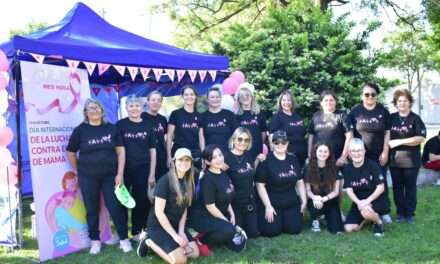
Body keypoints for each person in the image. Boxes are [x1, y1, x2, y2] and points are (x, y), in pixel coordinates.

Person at [66, 98, 132, 254]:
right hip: (88, 177)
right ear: (86, 112)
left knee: (115, 207)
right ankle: (95, 241)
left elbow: (121, 151)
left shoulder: (111, 128)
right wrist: (79, 170)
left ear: (102, 111)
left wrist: (120, 173)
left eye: (97, 108)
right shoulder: (80, 130)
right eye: (91, 108)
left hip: (111, 176)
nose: (94, 110)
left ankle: (124, 239)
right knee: (92, 209)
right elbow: (71, 153)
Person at [137, 148, 199, 264]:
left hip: (175, 225)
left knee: (194, 253)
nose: (184, 163)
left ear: (191, 163)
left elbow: (184, 208)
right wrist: (175, 236)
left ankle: (172, 244)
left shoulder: (189, 181)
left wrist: (181, 231)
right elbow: (159, 213)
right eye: (180, 159)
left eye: (187, 160)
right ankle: (148, 241)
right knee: (180, 260)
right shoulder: (165, 181)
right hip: (158, 226)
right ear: (174, 162)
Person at [188, 145, 246, 254]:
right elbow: (210, 207)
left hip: (219, 212)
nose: (219, 159)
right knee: (229, 229)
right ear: (207, 162)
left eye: (220, 155)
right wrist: (225, 221)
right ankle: (201, 240)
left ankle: (222, 235)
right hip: (203, 217)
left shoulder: (223, 173)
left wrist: (232, 214)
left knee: (237, 245)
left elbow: (227, 195)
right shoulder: (208, 179)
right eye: (214, 157)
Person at [348, 83, 392, 223]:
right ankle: (360, 208)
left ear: (376, 96)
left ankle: (384, 212)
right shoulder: (355, 112)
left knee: (381, 182)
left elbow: (387, 132)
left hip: (379, 155)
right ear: (362, 96)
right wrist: (350, 152)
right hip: (360, 155)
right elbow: (350, 134)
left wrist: (385, 151)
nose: (370, 97)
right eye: (367, 94)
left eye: (373, 94)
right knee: (360, 183)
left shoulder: (383, 111)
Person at [117, 95, 157, 240]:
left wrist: (152, 173)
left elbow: (153, 150)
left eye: (137, 105)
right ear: (126, 108)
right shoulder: (120, 125)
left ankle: (137, 231)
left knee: (141, 201)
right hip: (124, 170)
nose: (134, 108)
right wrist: (119, 173)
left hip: (143, 169)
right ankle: (122, 234)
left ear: (142, 108)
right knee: (121, 201)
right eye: (131, 105)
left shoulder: (148, 126)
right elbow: (117, 149)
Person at [256, 130, 306, 237]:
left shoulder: (293, 158)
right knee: (271, 231)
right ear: (272, 144)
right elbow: (260, 185)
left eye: (283, 142)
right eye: (277, 142)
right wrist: (268, 206)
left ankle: (286, 219)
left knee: (295, 229)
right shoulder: (266, 160)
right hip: (273, 201)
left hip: (291, 201)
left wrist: (304, 200)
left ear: (287, 143)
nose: (280, 145)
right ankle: (277, 219)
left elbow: (300, 181)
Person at [388, 89, 426, 223]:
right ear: (396, 103)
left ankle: (410, 214)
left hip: (411, 160)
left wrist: (399, 141)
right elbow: (387, 138)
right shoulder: (391, 118)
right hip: (394, 160)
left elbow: (420, 138)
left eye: (405, 101)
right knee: (397, 188)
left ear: (410, 102)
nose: (402, 103)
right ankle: (400, 214)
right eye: (399, 101)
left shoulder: (415, 118)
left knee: (410, 187)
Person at [224, 127, 265, 238]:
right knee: (238, 235)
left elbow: (250, 172)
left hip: (249, 202)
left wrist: (256, 160)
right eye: (240, 139)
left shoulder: (248, 155)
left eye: (246, 140)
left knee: (253, 234)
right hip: (234, 204)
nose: (243, 142)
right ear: (233, 140)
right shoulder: (226, 158)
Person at [343, 138, 386, 237]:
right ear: (349, 152)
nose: (356, 153)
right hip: (359, 202)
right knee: (348, 228)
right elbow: (349, 190)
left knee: (366, 212)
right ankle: (368, 218)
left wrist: (367, 201)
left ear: (364, 151)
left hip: (375, 199)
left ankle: (378, 222)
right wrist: (359, 203)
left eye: (359, 150)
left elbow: (381, 187)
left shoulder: (372, 165)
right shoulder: (348, 168)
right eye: (353, 151)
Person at [304, 143, 344, 234]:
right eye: (320, 151)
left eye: (326, 151)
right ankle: (315, 219)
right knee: (315, 205)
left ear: (329, 153)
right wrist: (315, 198)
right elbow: (308, 191)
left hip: (330, 199)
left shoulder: (334, 167)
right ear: (315, 152)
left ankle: (327, 217)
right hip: (315, 199)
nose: (323, 153)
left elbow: (336, 191)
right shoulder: (308, 167)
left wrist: (324, 199)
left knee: (336, 230)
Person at [308, 90, 353, 167]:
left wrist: (343, 157)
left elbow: (349, 136)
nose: (328, 102)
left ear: (335, 102)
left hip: (337, 160)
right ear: (321, 103)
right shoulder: (316, 116)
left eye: (331, 100)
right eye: (326, 100)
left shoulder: (342, 115)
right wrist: (309, 154)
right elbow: (311, 136)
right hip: (319, 159)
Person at [167, 85, 205, 171]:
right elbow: (169, 136)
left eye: (192, 94)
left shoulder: (199, 116)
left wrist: (203, 156)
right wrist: (169, 156)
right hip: (179, 154)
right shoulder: (175, 114)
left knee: (194, 181)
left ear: (195, 96)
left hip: (195, 155)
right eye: (186, 94)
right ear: (183, 96)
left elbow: (201, 137)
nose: (189, 97)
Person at [269, 90, 307, 167]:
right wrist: (275, 154)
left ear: (292, 102)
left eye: (289, 100)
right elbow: (271, 137)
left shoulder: (297, 117)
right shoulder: (277, 118)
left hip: (302, 154)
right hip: (287, 155)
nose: (286, 102)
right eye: (284, 100)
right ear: (280, 102)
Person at [234, 83, 267, 160]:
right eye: (242, 96)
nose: (245, 98)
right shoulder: (235, 116)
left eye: (247, 95)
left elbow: (263, 133)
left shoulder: (259, 114)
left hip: (257, 149)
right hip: (241, 151)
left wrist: (258, 144)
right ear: (239, 99)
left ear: (252, 97)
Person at [201, 86, 238, 151]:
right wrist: (204, 154)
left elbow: (236, 134)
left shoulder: (229, 115)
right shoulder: (203, 117)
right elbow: (201, 138)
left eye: (217, 97)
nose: (215, 99)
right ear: (207, 100)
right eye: (212, 97)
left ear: (221, 98)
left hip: (228, 154)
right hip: (210, 156)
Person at [142, 91, 168, 182]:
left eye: (158, 100)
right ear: (148, 101)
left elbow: (165, 139)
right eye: (153, 100)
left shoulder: (163, 119)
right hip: (146, 160)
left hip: (161, 159)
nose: (156, 102)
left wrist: (168, 156)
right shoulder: (141, 118)